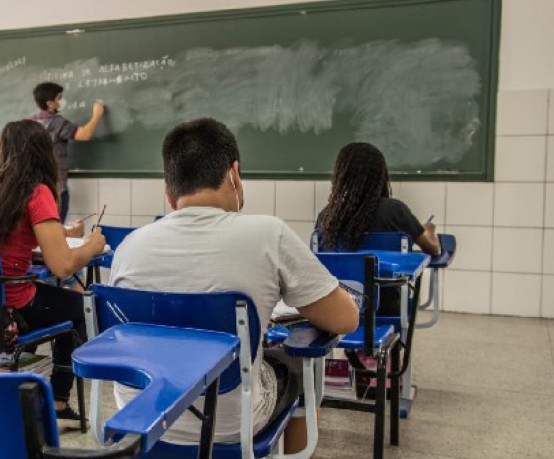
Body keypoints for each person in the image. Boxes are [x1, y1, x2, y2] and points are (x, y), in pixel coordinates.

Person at [109, 118, 358, 452]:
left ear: (169, 193)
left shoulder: (130, 246)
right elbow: (345, 319)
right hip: (229, 424)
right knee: (298, 365)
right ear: (234, 175)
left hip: (137, 417)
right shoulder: (270, 234)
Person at [0, 119, 106, 429]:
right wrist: (93, 246)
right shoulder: (37, 191)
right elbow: (63, 266)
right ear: (45, 152)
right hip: (11, 307)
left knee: (52, 298)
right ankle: (57, 399)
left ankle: (12, 368)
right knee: (80, 306)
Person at [317, 141, 440, 315]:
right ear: (380, 175)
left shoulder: (327, 217)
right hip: (387, 308)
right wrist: (430, 230)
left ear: (341, 175)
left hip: (338, 308)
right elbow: (433, 248)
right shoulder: (395, 211)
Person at [29, 81, 105, 220]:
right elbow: (85, 134)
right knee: (56, 230)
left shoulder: (30, 122)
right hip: (56, 189)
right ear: (50, 103)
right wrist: (97, 115)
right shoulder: (57, 122)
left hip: (33, 189)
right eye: (59, 98)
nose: (62, 101)